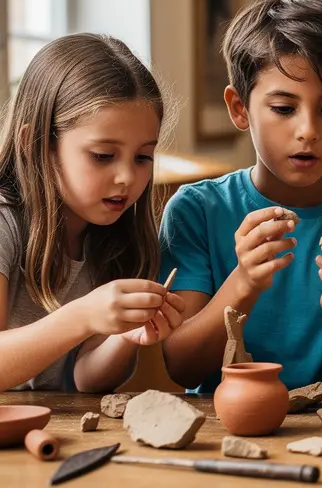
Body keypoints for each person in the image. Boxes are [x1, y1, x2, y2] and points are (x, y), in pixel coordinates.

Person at [160, 0, 322, 394]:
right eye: (283, 108)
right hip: (224, 428)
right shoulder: (196, 211)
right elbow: (182, 368)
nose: (308, 130)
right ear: (239, 108)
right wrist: (244, 282)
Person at [0, 33, 184, 392]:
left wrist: (125, 336)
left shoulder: (116, 236)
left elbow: (85, 380)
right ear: (33, 144)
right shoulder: (4, 222)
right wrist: (82, 316)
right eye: (102, 156)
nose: (127, 178)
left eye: (143, 156)